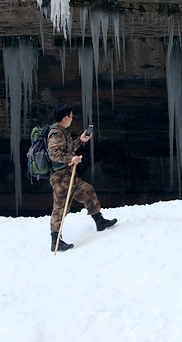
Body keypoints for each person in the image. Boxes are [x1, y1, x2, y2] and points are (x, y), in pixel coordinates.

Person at [48, 104, 117, 252]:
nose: (72, 119)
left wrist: (80, 140)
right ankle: (55, 240)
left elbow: (68, 148)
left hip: (68, 176)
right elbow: (53, 154)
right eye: (71, 117)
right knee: (60, 208)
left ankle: (99, 220)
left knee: (88, 191)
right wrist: (70, 159)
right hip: (60, 178)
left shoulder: (62, 132)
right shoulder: (55, 133)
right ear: (65, 118)